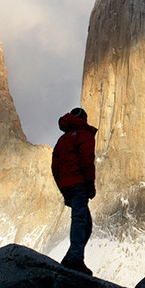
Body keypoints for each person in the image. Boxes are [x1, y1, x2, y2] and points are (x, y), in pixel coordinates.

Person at [51, 107, 97, 276]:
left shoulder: (62, 140)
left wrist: (63, 187)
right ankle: (75, 259)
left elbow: (55, 166)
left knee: (85, 222)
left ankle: (72, 256)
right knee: (80, 221)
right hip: (79, 185)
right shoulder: (84, 135)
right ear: (83, 119)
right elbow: (87, 161)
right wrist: (90, 185)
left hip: (67, 186)